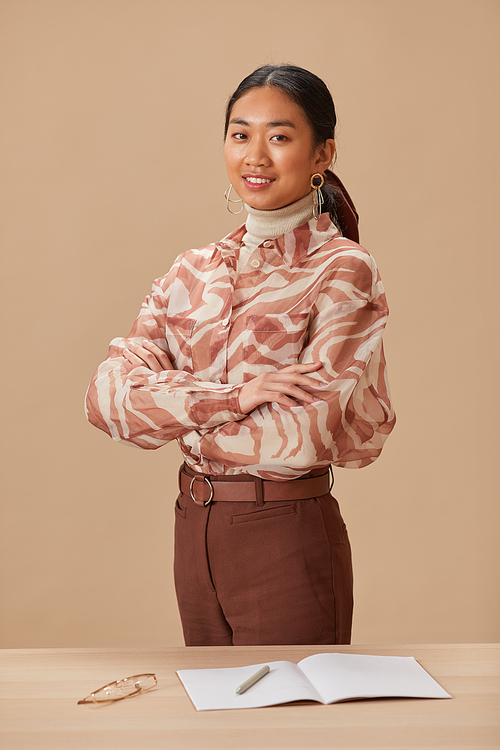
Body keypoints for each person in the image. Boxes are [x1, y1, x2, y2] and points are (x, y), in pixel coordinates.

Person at [85, 64, 396, 647]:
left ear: (322, 153)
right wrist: (237, 397)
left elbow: (301, 435)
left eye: (279, 137)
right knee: (213, 727)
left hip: (284, 532)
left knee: (290, 728)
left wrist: (176, 406)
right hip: (194, 528)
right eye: (239, 134)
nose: (255, 155)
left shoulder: (342, 269)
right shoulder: (192, 271)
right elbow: (106, 399)